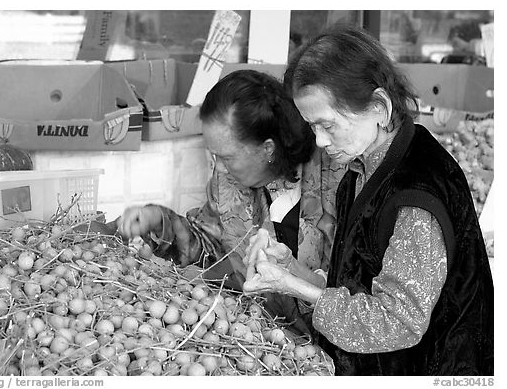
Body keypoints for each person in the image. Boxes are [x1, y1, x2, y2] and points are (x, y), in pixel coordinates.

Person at [243, 26, 494, 376]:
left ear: (379, 106)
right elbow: (356, 286)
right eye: (312, 126)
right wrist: (289, 269)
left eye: (327, 125)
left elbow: (397, 321)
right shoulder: (363, 167)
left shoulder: (416, 195)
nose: (318, 140)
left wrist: (293, 287)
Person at [111, 69, 344, 337]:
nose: (218, 168)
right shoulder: (227, 185)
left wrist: (294, 274)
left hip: (329, 348)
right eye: (213, 156)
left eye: (227, 157)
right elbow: (210, 249)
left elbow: (353, 289)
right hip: (258, 340)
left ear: (267, 148)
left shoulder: (334, 178)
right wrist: (159, 222)